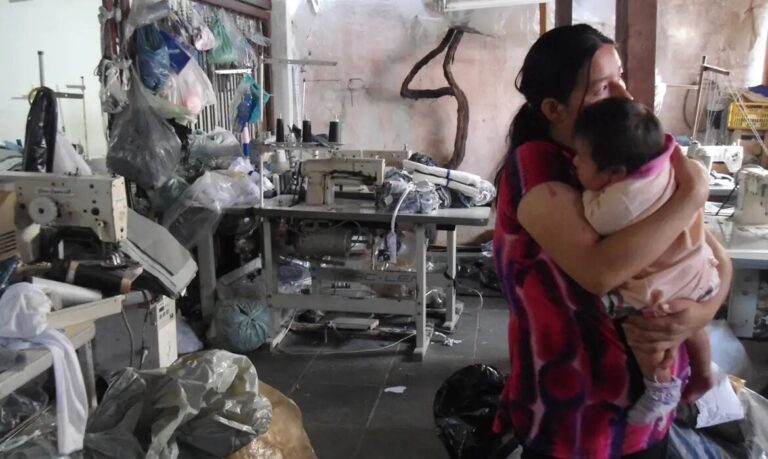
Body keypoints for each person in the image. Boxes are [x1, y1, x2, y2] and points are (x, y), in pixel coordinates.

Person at [493, 24, 732, 458]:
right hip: (574, 422)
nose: (624, 93)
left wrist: (700, 312)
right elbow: (599, 272)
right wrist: (693, 192)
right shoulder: (537, 170)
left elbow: (707, 254)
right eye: (602, 87)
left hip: (646, 417)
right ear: (554, 108)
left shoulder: (628, 159)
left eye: (620, 77)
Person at [572, 97, 718, 426]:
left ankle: (659, 384)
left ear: (615, 173)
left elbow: (596, 220)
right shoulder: (664, 163)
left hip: (662, 284)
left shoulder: (620, 202)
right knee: (693, 325)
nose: (574, 161)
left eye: (580, 157)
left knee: (643, 333)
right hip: (697, 271)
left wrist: (586, 195)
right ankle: (704, 370)